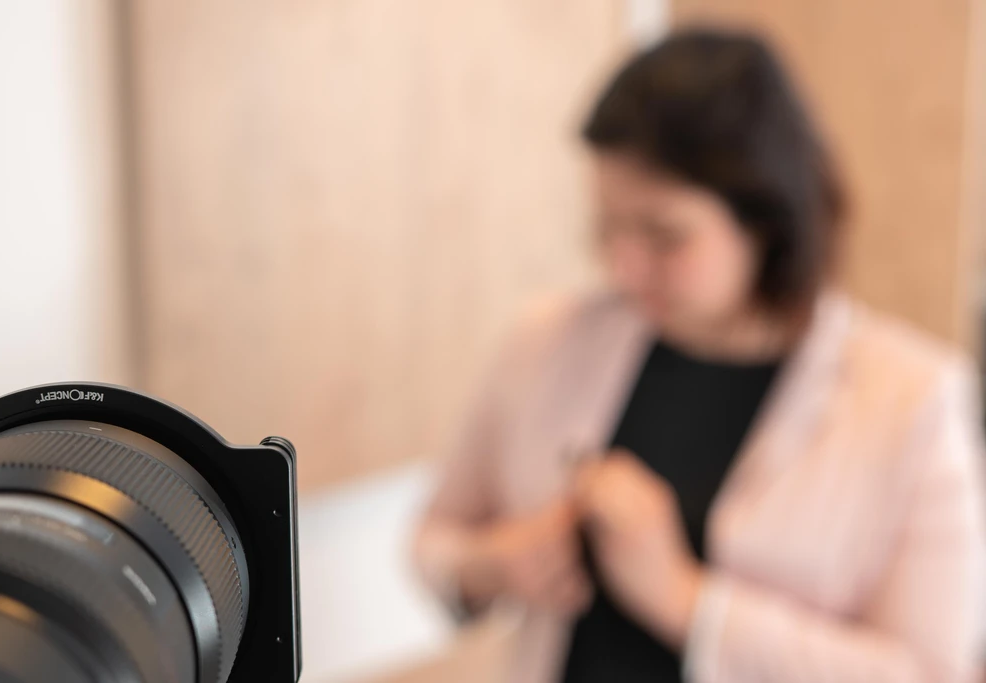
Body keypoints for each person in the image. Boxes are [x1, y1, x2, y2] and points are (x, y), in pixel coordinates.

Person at [412, 28, 986, 683]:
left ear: (766, 221)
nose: (624, 268)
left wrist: (684, 598)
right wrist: (490, 563)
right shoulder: (546, 341)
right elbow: (432, 541)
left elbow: (931, 672)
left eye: (664, 236)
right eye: (607, 226)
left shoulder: (914, 398)